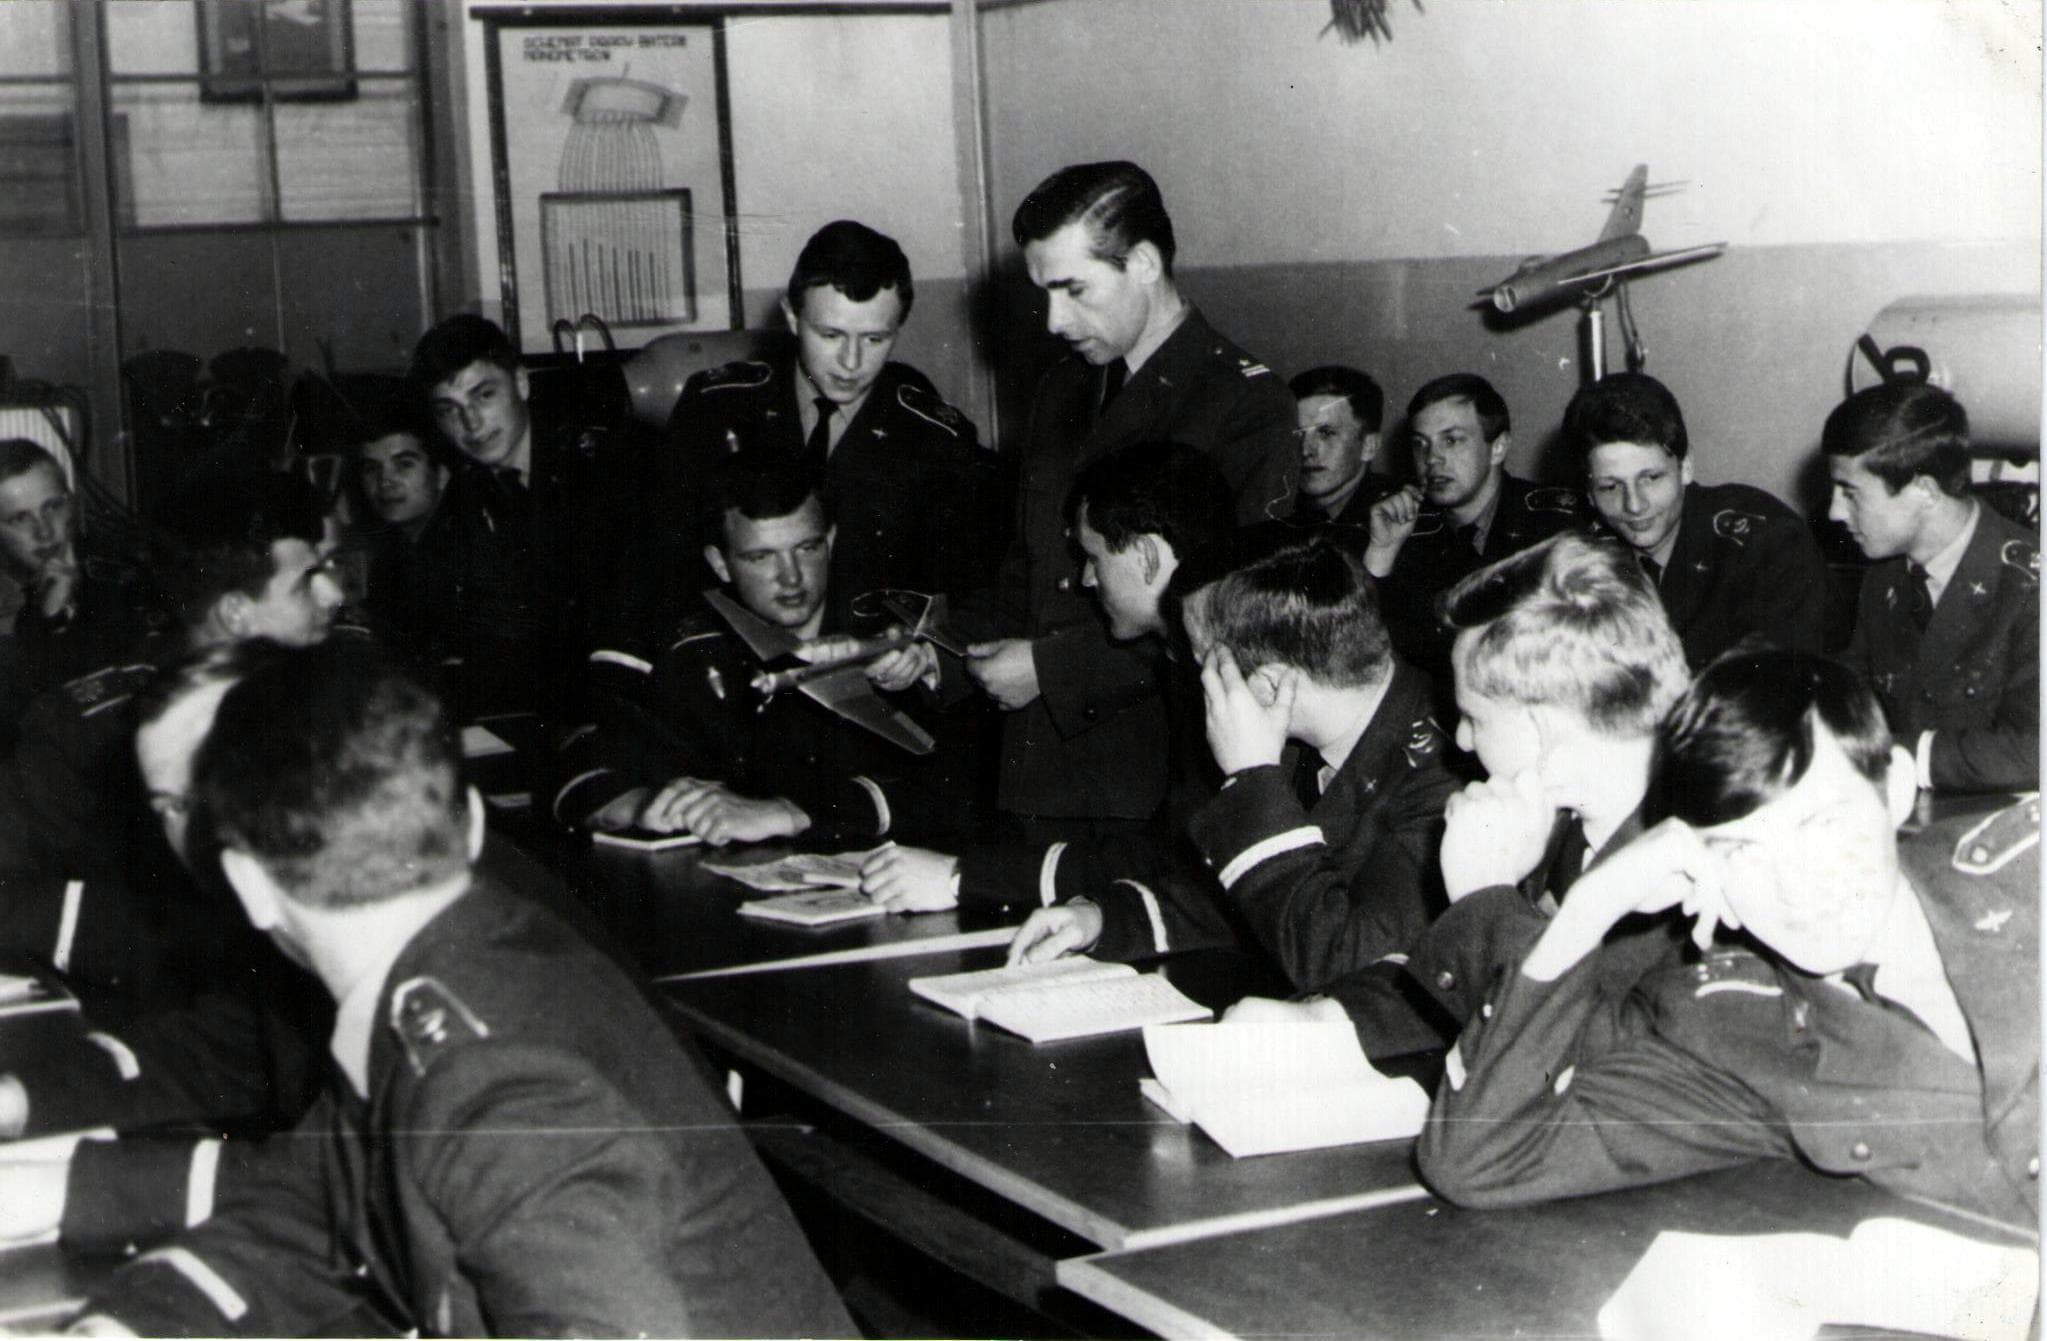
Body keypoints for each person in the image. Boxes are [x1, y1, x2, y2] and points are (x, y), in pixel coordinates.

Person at [67, 641, 855, 1337]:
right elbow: (317, 1214)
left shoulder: (492, 1072)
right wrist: (124, 1324)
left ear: (249, 884)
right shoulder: (453, 967)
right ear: (473, 822)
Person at [1419, 650, 2038, 1233]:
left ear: (1896, 791)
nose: (1794, 883)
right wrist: (1586, 910)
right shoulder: (1740, 1032)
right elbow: (1480, 1156)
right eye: (1740, 850)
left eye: (1821, 824)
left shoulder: (2025, 870)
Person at [1231, 533, 1692, 1060]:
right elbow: (1466, 982)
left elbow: (1581, 1057)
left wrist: (1484, 896)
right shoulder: (1565, 817)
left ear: (1539, 729)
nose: (1465, 741)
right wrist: (1327, 1019)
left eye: (1474, 717)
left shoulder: (1683, 868)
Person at [962, 160, 1295, 841]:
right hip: (1037, 766)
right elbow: (1029, 568)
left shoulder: (1242, 404)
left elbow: (1236, 615)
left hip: (1152, 775)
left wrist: (1050, 669)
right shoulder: (1063, 389)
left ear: (1143, 262)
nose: (1054, 320)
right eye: (1043, 294)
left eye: (1074, 289)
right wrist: (931, 649)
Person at [1014, 534, 1459, 986]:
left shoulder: (1444, 779)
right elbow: (1251, 897)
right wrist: (1101, 919)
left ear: (1269, 686)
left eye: (1203, 663)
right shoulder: (1328, 728)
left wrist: (1254, 779)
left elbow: (1346, 963)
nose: (1199, 685)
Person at [865, 441, 1238, 962]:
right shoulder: (1194, 654)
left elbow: (1179, 861)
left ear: (1149, 556)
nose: (1085, 580)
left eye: (1094, 558)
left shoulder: (1230, 673)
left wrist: (963, 878)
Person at [556, 458, 980, 849]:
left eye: (808, 548)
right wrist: (646, 805)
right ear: (720, 564)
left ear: (831, 540)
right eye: (761, 557)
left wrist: (791, 813)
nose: (791, 576)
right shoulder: (683, 645)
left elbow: (964, 787)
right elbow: (577, 760)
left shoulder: (898, 640)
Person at [0, 470, 344, 876]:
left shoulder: (339, 689)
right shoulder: (83, 734)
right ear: (235, 612)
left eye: (329, 567)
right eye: (307, 580)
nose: (334, 595)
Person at [663, 219, 1003, 626]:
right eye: (830, 335)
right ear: (792, 318)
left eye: (875, 339)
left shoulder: (935, 440)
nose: (851, 362)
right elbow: (664, 563)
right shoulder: (717, 409)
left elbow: (968, 593)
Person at [410, 313, 660, 721]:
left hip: (631, 697)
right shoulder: (467, 492)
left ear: (521, 384)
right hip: (544, 707)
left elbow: (628, 615)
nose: (471, 423)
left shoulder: (608, 464)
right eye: (449, 410)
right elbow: (442, 616)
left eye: (484, 395)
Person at [1823, 381, 2036, 793]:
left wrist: (1893, 757)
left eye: (1850, 493)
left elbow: (2033, 751)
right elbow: (1853, 693)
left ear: (1923, 490)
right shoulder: (1884, 574)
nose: (1834, 511)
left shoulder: (2030, 586)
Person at [1566, 371, 1827, 668]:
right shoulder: (1576, 557)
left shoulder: (1770, 545)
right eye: (1610, 487)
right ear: (1588, 492)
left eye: (1651, 478)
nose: (1634, 505)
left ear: (1686, 466)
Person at [1364, 373, 1584, 687]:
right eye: (1420, 444)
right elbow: (1367, 652)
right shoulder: (1407, 528)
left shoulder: (1550, 528)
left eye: (1451, 440)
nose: (1432, 459)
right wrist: (1381, 554)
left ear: (1498, 447)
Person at [348, 377, 540, 717]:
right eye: (371, 469)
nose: (385, 481)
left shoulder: (474, 542)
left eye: (404, 464)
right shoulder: (396, 551)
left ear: (442, 475)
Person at [0, 439, 158, 743]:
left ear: (72, 504)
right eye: (20, 518)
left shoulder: (123, 576)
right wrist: (46, 619)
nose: (44, 531)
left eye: (52, 507)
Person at [1287, 365, 1399, 538]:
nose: (1305, 450)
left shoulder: (1398, 521)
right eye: (1297, 434)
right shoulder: (1278, 508)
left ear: (1369, 446)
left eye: (1326, 433)